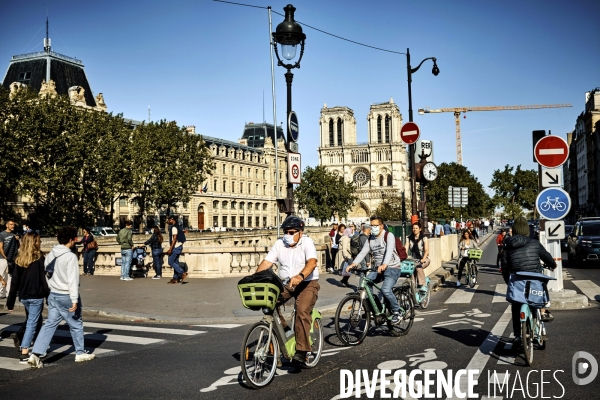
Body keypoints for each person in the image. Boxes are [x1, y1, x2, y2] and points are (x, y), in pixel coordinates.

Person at [256, 216, 319, 367]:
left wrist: (301, 275)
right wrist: (254, 277)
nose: (288, 235)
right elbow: (266, 262)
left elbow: (312, 262)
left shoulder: (307, 242)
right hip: (286, 283)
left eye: (291, 232)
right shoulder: (279, 244)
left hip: (307, 283)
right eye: (286, 232)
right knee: (269, 303)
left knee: (302, 311)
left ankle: (302, 351)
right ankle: (286, 332)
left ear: (300, 233)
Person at [28, 226, 95, 368]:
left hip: (53, 294)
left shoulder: (52, 253)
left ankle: (36, 353)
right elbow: (73, 280)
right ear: (72, 240)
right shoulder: (70, 256)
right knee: (76, 324)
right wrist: (74, 300)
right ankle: (80, 352)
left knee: (50, 324)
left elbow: (47, 273)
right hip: (66, 295)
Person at [501, 217, 557, 344]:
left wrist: (508, 281)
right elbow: (547, 257)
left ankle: (517, 336)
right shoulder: (534, 243)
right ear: (527, 230)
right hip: (534, 277)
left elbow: (504, 267)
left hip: (517, 279)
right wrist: (553, 264)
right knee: (540, 290)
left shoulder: (507, 245)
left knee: (515, 307)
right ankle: (542, 310)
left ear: (514, 230)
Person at [348, 216, 404, 324]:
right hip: (378, 268)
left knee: (385, 290)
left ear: (381, 226)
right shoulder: (371, 239)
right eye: (371, 225)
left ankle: (397, 312)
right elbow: (363, 252)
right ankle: (376, 309)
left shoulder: (388, 236)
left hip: (392, 267)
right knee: (366, 284)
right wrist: (354, 264)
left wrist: (384, 264)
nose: (373, 228)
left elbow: (389, 251)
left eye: (375, 225)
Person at [6, 233, 49, 363]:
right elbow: (43, 279)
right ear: (35, 242)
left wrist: (10, 301)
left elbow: (14, 282)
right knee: (32, 322)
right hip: (36, 295)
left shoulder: (19, 259)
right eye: (39, 240)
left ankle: (38, 346)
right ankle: (25, 351)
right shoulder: (39, 258)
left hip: (24, 296)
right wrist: (48, 296)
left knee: (36, 319)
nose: (40, 242)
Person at [405, 221, 430, 291]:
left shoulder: (424, 238)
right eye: (413, 228)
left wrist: (424, 258)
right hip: (413, 259)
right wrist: (403, 257)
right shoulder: (409, 238)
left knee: (418, 267)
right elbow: (405, 249)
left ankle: (423, 285)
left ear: (420, 229)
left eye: (416, 228)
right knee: (411, 273)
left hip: (424, 259)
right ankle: (412, 291)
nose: (415, 229)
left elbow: (426, 250)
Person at [166, 215, 187, 284]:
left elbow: (174, 238)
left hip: (175, 247)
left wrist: (170, 249)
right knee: (176, 262)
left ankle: (182, 272)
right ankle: (175, 278)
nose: (168, 221)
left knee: (170, 261)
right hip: (179, 246)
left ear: (173, 220)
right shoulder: (178, 227)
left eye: (169, 220)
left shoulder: (174, 227)